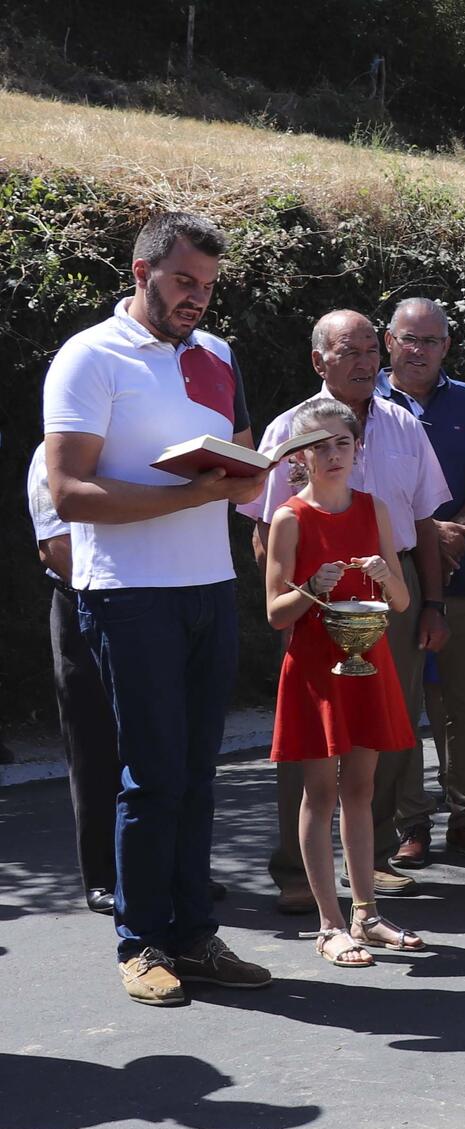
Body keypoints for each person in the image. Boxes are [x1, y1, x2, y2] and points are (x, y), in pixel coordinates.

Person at [44, 210, 273, 1006]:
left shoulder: (218, 355)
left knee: (199, 774)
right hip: (126, 593)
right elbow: (69, 490)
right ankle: (140, 942)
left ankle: (191, 935)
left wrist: (249, 480)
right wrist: (187, 496)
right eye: (183, 281)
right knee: (150, 775)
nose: (197, 299)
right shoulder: (88, 357)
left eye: (208, 286)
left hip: (208, 586)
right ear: (140, 273)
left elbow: (242, 469)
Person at [246, 310, 452, 909]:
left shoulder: (403, 423)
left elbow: (423, 521)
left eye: (371, 349)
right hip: (313, 606)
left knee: (383, 730)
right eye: (349, 351)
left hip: (389, 588)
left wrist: (429, 601)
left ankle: (372, 862)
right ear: (319, 361)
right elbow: (265, 529)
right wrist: (297, 597)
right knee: (311, 755)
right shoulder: (289, 427)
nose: (366, 361)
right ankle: (297, 873)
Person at [262, 401, 426, 965]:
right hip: (314, 671)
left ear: (358, 451)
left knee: (362, 789)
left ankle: (367, 913)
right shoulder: (289, 517)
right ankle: (329, 924)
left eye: (343, 445)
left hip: (368, 662)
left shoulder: (374, 508)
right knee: (320, 791)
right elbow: (275, 613)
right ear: (300, 455)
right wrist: (310, 585)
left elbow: (401, 600)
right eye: (321, 446)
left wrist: (385, 574)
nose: (334, 455)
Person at [380, 296, 465, 865]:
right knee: (403, 705)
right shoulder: (368, 404)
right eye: (409, 339)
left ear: (447, 347)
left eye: (431, 341)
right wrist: (425, 533)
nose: (419, 350)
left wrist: (455, 534)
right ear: (389, 342)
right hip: (398, 575)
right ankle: (410, 823)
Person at [28, 446, 119, 915]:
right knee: (93, 746)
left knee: (158, 744)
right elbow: (56, 546)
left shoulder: (128, 441)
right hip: (83, 604)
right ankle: (102, 875)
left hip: (139, 607)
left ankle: (169, 868)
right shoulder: (52, 455)